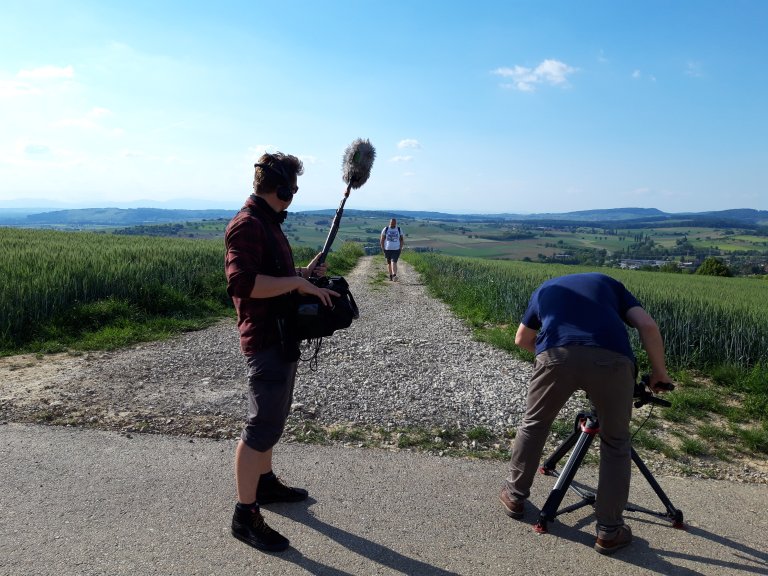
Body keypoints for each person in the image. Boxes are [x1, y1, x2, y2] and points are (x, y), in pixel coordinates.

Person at [499, 272, 671, 555]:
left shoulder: (544, 288)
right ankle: (609, 531)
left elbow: (521, 339)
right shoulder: (610, 285)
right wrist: (659, 374)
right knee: (616, 442)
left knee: (535, 424)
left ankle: (515, 496)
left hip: (555, 356)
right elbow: (648, 326)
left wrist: (554, 361)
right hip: (612, 361)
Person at [224, 151, 339, 553]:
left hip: (281, 336)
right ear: (284, 189)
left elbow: (273, 274)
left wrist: (303, 275)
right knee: (259, 428)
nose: (294, 194)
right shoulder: (248, 225)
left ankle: (266, 483)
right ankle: (245, 513)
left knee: (273, 420)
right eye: (293, 187)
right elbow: (244, 284)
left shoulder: (267, 223)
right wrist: (296, 285)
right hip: (265, 339)